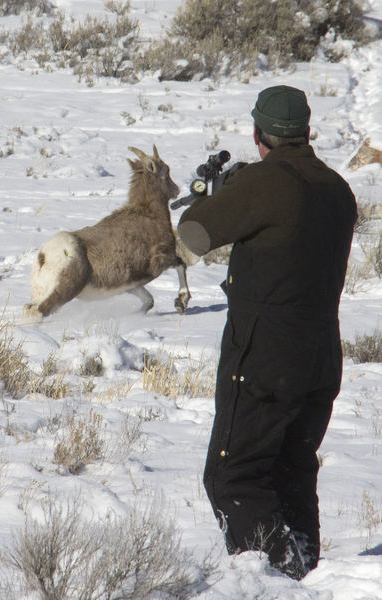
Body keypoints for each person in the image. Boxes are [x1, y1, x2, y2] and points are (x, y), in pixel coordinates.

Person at [178, 85, 357, 580]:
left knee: (233, 476)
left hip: (265, 355)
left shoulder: (266, 182)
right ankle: (308, 577)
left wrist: (224, 194)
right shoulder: (337, 187)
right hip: (321, 353)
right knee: (290, 473)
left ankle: (276, 582)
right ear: (306, 129)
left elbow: (193, 234)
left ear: (257, 133)